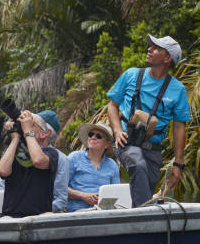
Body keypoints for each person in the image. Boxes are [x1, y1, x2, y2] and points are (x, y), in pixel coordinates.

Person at [106, 34, 191, 206]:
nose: (149, 49)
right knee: (137, 163)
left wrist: (178, 164)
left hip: (153, 151)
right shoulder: (131, 75)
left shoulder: (178, 89)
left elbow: (179, 127)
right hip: (126, 143)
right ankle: (146, 219)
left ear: (167, 58)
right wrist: (116, 130)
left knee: (145, 191)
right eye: (150, 46)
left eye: (156, 48)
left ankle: (141, 219)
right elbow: (112, 106)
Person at [0, 110, 60, 217]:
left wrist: (27, 131)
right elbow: (3, 171)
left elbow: (38, 161)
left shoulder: (51, 154)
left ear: (43, 133)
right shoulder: (15, 153)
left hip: (38, 217)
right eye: (24, 125)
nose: (25, 126)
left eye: (32, 124)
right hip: (11, 216)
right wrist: (15, 139)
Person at [66, 122, 121, 211]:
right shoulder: (74, 157)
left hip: (103, 212)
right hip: (77, 212)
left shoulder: (112, 165)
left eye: (98, 136)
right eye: (91, 134)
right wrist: (83, 196)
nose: (93, 137)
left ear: (107, 144)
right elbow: (59, 187)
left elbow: (117, 193)